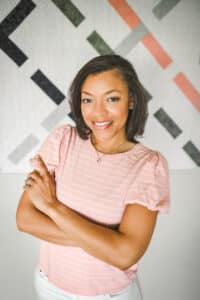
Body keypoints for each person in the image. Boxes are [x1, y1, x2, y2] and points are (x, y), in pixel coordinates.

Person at [16, 54, 170, 300]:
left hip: (107, 296)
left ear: (131, 100)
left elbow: (124, 255)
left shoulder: (149, 165)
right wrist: (105, 240)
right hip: (49, 286)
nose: (98, 112)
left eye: (111, 98)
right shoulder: (62, 140)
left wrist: (51, 207)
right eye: (88, 99)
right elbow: (25, 219)